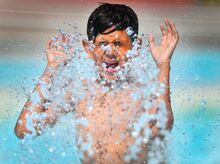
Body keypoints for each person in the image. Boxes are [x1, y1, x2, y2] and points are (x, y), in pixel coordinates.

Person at [14, 3, 179, 163]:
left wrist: (163, 65)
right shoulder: (80, 91)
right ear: (88, 48)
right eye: (103, 44)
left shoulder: (143, 91)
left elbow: (161, 129)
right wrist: (52, 69)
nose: (110, 52)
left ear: (135, 48)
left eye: (118, 43)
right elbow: (24, 130)